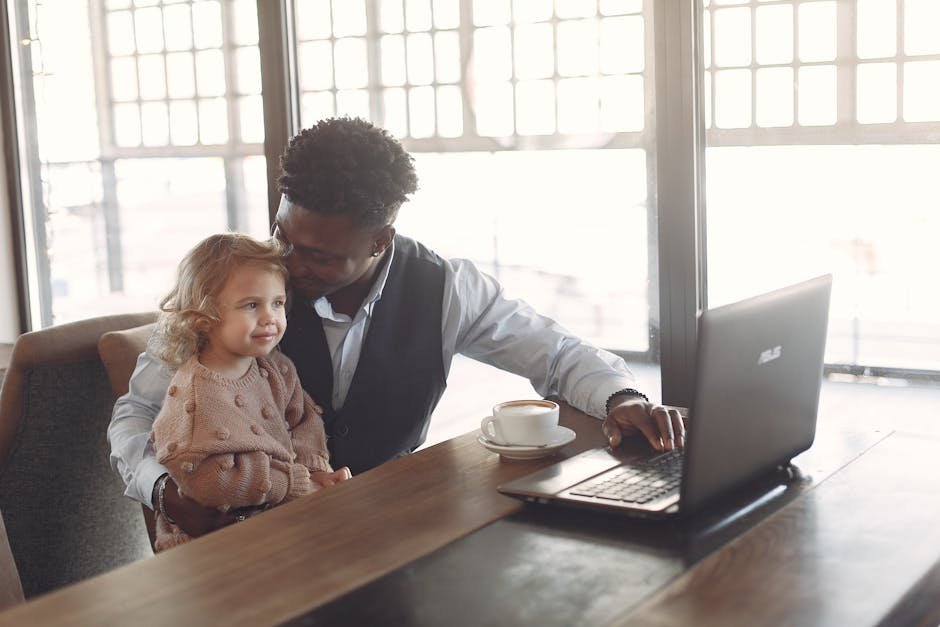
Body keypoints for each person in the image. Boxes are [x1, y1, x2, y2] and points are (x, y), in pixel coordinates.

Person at [109, 116, 684, 538]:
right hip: (257, 538)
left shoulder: (447, 288)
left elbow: (556, 354)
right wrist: (162, 490)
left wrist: (622, 397)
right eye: (283, 235)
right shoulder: (230, 287)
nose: (289, 262)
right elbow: (136, 414)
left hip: (389, 523)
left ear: (379, 241)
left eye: (319, 256)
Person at [143, 233, 349, 550]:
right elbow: (210, 482)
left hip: (280, 514)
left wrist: (315, 473)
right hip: (210, 541)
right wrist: (293, 484)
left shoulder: (277, 368)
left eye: (277, 303)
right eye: (252, 305)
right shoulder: (195, 394)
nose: (270, 318)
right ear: (204, 317)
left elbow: (304, 422)